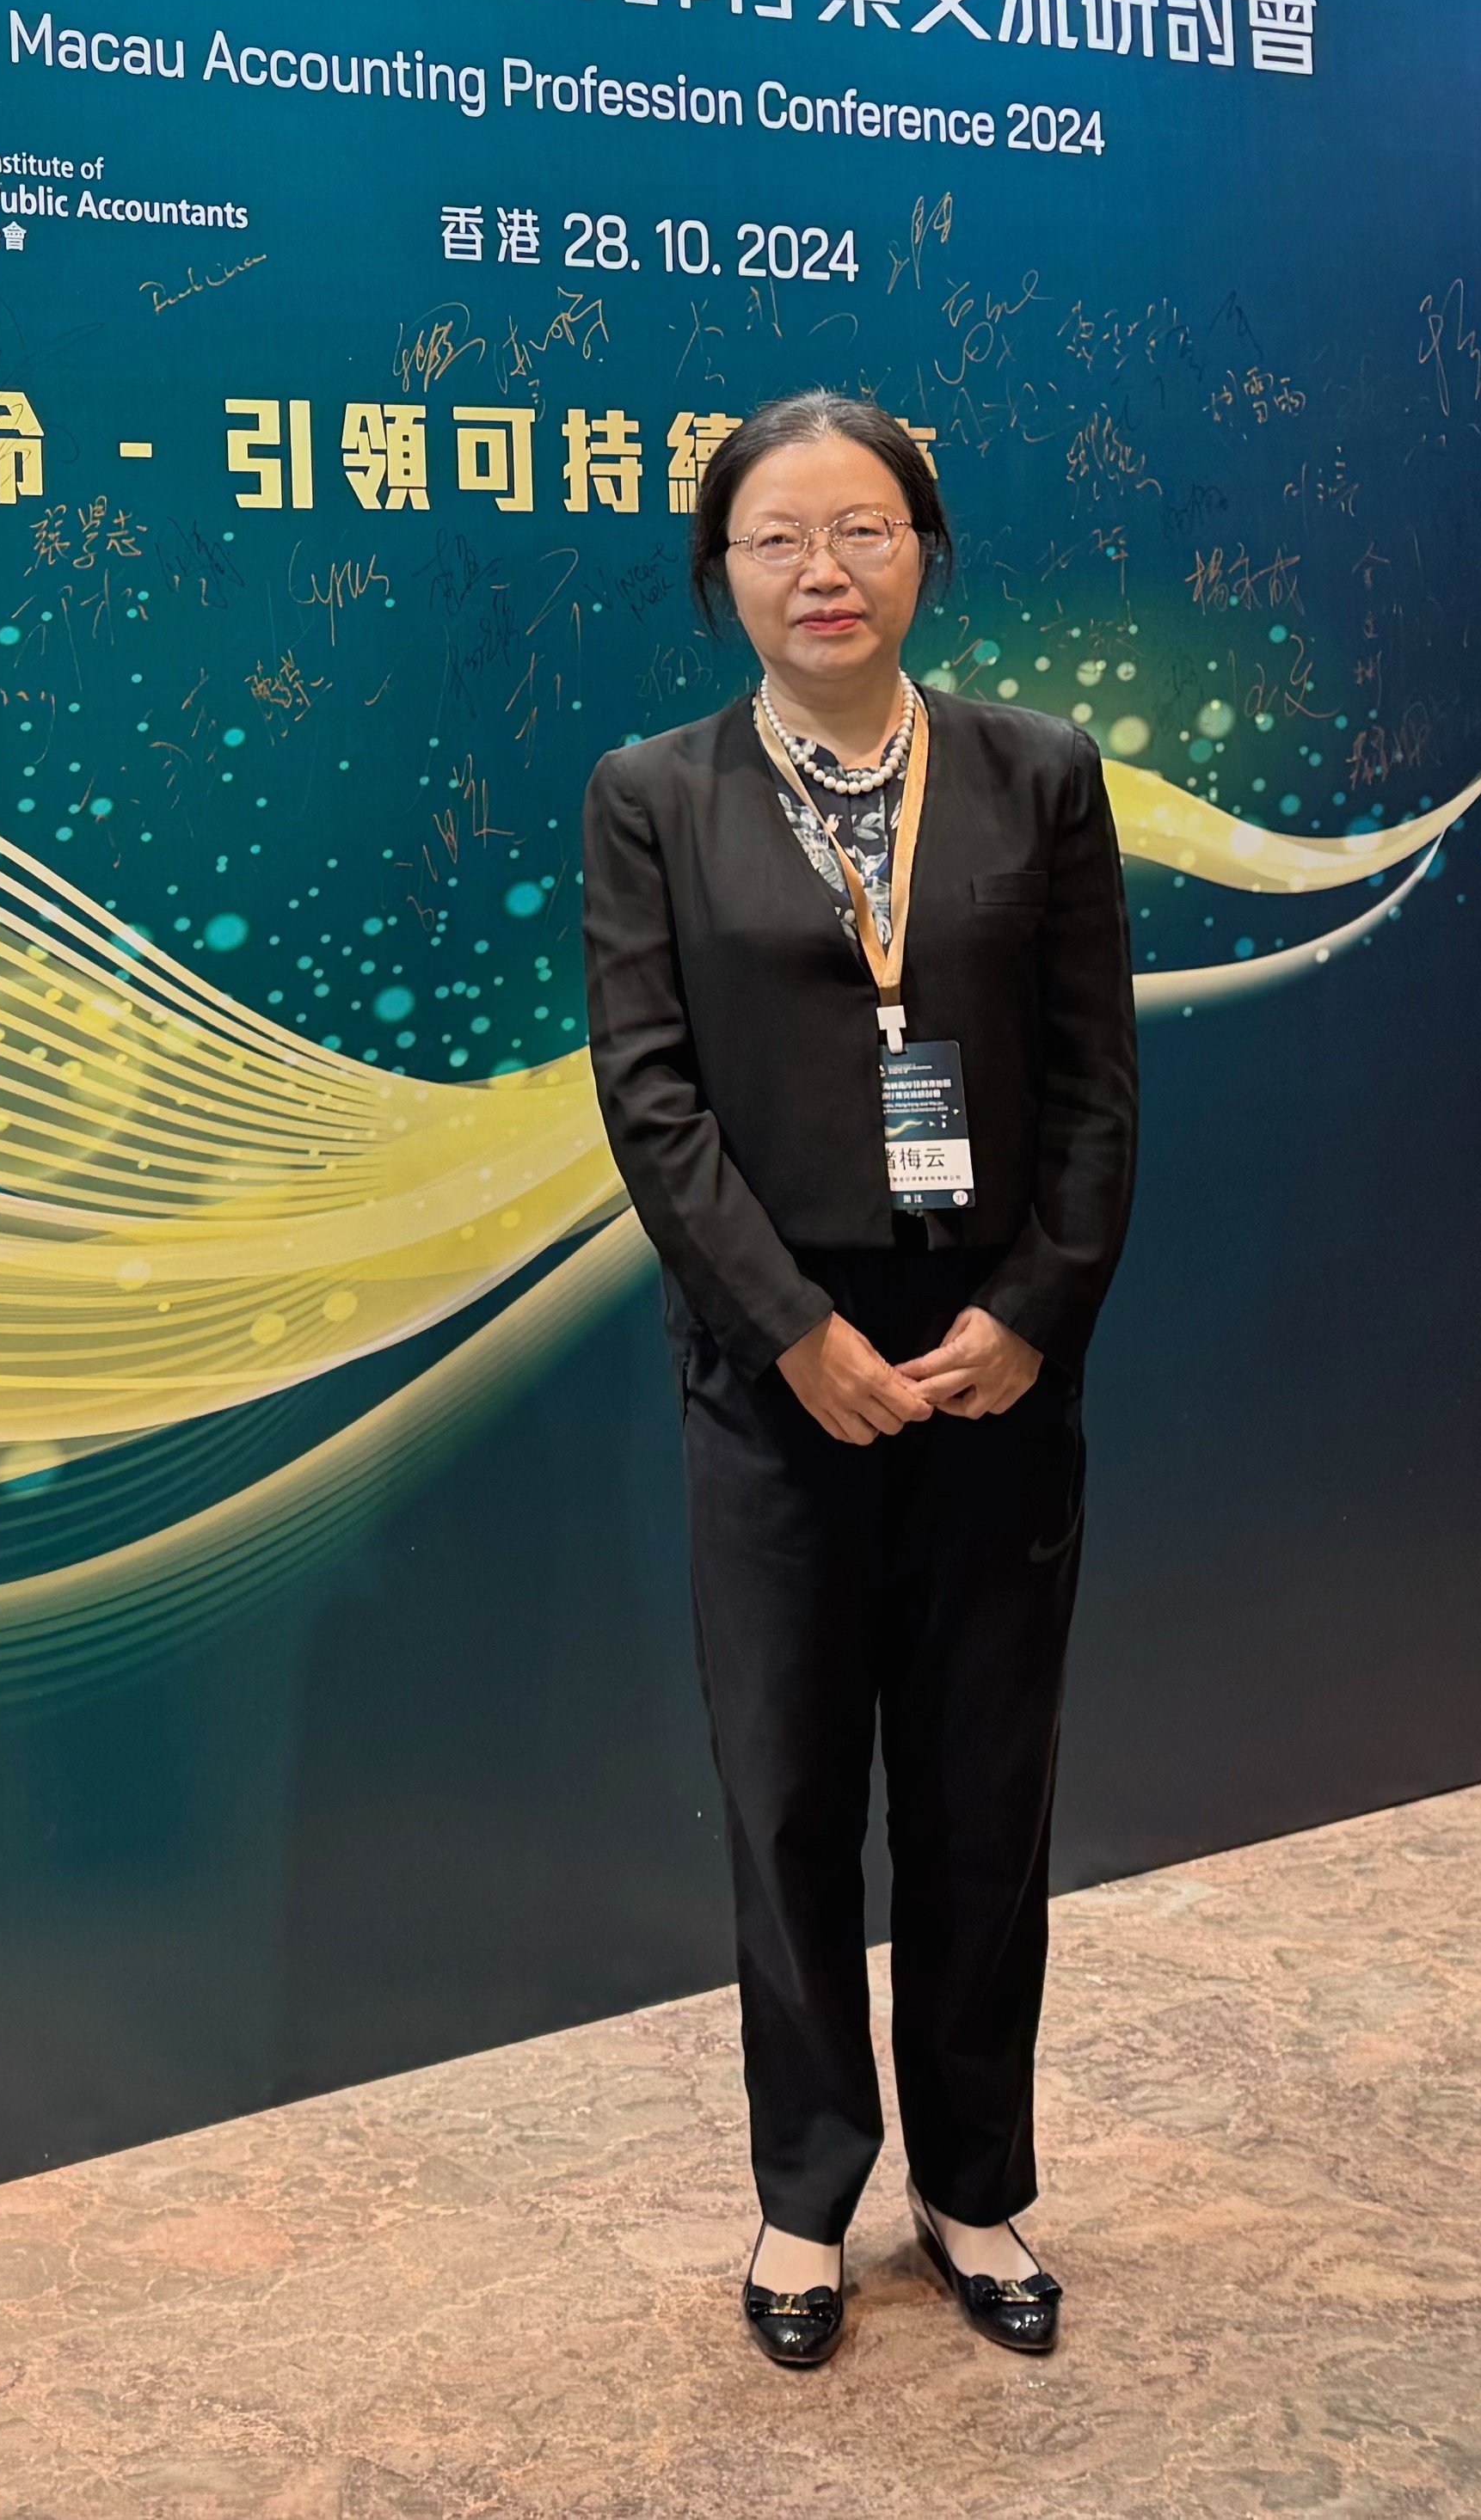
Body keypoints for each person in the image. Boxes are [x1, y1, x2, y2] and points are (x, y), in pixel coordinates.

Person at [576, 390, 1137, 2370]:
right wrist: (792, 1335)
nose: (824, 572)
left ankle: (975, 2186)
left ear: (926, 548)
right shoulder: (653, 794)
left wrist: (1035, 1312)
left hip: (994, 1376)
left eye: (864, 531)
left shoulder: (1038, 772)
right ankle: (804, 2196)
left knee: (986, 1798)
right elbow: (651, 1102)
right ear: (720, 572)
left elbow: (1094, 1083)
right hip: (775, 1385)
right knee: (792, 1799)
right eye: (778, 540)